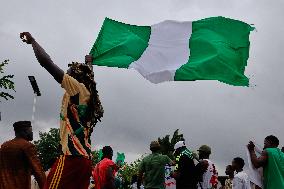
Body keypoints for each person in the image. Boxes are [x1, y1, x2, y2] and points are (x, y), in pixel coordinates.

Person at [20, 32, 104, 189]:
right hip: (85, 161)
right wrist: (89, 64)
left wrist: (33, 42)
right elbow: (90, 79)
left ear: (76, 77)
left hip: (71, 158)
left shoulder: (77, 89)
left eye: (70, 72)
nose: (67, 74)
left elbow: (47, 63)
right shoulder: (87, 95)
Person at [0, 121, 46, 189]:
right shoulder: (27, 146)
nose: (32, 133)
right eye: (30, 130)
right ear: (24, 131)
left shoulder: (4, 146)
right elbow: (38, 171)